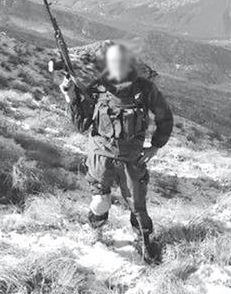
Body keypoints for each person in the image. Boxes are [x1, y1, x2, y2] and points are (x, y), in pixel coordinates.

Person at [60, 43, 173, 263]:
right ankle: (96, 230)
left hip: (132, 157)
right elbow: (82, 123)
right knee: (100, 202)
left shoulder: (145, 89)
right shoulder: (98, 88)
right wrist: (70, 96)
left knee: (137, 205)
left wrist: (156, 146)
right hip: (100, 155)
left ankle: (144, 241)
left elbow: (165, 117)